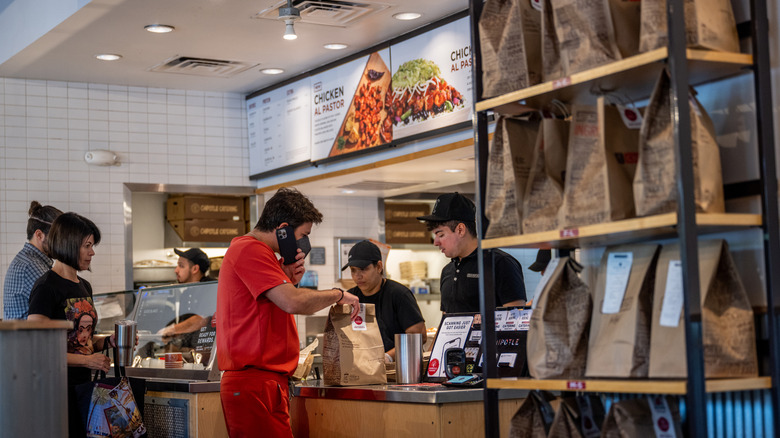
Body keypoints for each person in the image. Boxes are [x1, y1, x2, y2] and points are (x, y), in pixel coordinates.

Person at [216, 187, 360, 438]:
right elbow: (293, 303)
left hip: (264, 383)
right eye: (303, 234)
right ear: (282, 229)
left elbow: (270, 306)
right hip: (254, 383)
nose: (304, 243)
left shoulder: (262, 255)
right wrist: (338, 294)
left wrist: (287, 279)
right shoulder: (250, 250)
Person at [27, 212, 115, 438]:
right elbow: (39, 349)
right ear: (69, 244)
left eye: (92, 245)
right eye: (87, 245)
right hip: (56, 393)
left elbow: (81, 341)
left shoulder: (84, 285)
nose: (92, 252)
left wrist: (109, 341)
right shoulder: (46, 287)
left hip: (84, 390)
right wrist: (87, 361)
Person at [418, 192, 527, 313]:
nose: (436, 242)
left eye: (441, 235)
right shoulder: (447, 271)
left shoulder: (500, 263)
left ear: (460, 229)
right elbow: (446, 318)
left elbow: (516, 318)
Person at [342, 240, 427, 363]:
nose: (357, 276)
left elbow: (418, 337)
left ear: (379, 267)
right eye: (353, 270)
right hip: (362, 369)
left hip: (400, 371)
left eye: (363, 269)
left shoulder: (399, 294)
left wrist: (388, 357)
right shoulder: (350, 297)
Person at [3, 201, 63, 319]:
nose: (61, 244)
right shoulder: (31, 266)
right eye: (57, 238)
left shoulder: (29, 260)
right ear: (39, 235)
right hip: (28, 337)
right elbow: (60, 306)